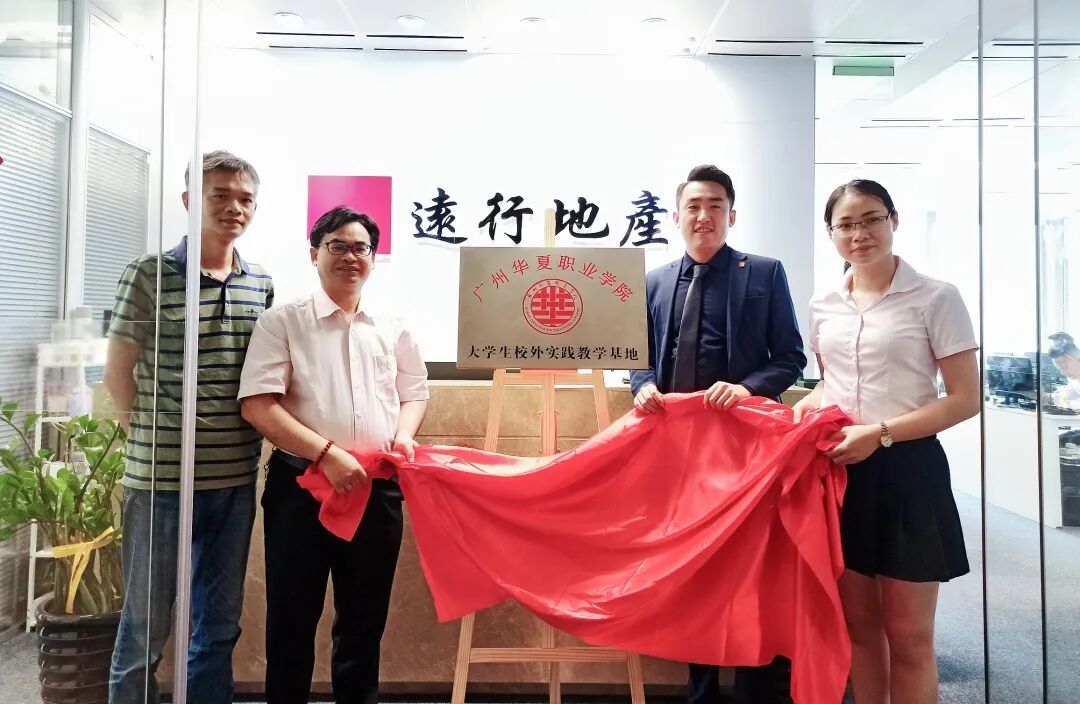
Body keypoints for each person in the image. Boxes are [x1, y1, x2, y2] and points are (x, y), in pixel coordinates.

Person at [793, 179, 980, 703]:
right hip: (842, 475)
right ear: (831, 233)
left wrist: (881, 434)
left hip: (909, 471)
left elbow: (965, 398)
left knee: (910, 637)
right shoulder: (824, 303)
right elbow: (830, 383)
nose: (860, 234)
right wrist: (799, 413)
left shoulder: (936, 297)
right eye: (846, 224)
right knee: (859, 628)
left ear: (894, 220)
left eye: (872, 219)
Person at [629, 164, 806, 704]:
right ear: (676, 216)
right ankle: (700, 693)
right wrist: (642, 384)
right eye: (693, 206)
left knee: (754, 569)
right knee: (694, 573)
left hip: (746, 450)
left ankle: (757, 692)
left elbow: (791, 357)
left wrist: (748, 388)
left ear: (732, 214)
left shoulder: (765, 273)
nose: (703, 216)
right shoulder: (655, 281)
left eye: (714, 206)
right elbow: (639, 356)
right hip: (679, 455)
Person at [238, 206, 429, 704]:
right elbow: (258, 404)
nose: (350, 256)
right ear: (314, 254)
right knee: (292, 621)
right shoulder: (283, 322)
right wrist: (325, 453)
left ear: (374, 258)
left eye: (361, 247)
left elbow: (414, 392)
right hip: (301, 491)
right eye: (337, 246)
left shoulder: (392, 324)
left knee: (364, 623)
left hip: (376, 491)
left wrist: (404, 436)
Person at [106, 150, 272, 703]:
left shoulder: (260, 283)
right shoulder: (149, 273)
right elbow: (118, 370)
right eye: (219, 195)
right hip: (160, 484)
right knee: (144, 628)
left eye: (245, 198)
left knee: (218, 629)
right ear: (188, 200)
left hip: (234, 483)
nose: (234, 207)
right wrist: (146, 439)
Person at [1048, 332, 1080, 409]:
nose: (1062, 373)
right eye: (1059, 369)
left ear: (1077, 358)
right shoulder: (1074, 377)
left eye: (1064, 367)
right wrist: (1058, 395)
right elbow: (1073, 390)